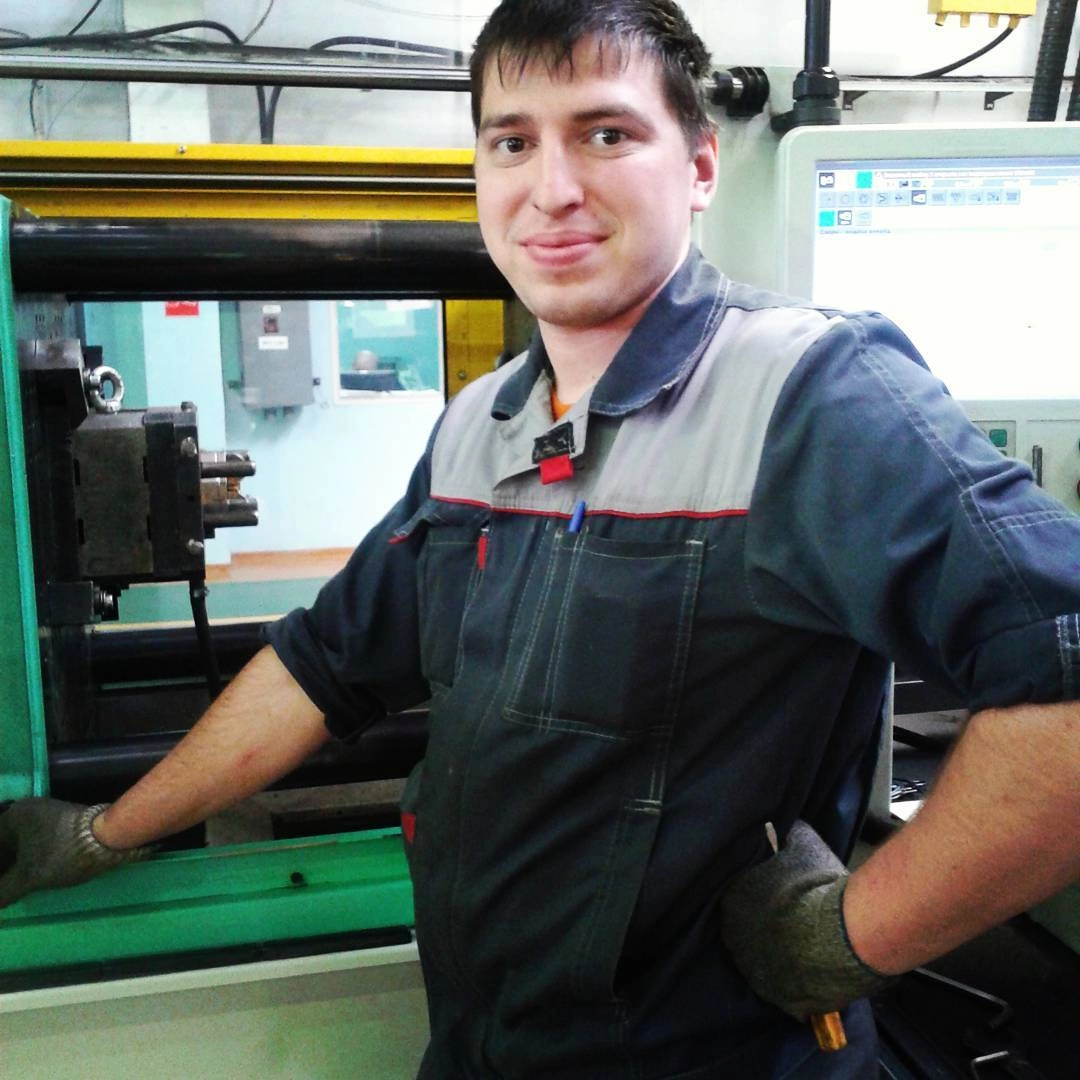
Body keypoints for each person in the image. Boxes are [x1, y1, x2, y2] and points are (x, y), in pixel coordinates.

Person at [2, 1, 1079, 1075]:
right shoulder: (483, 423)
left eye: (606, 133)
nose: (552, 188)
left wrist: (850, 937)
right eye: (512, 142)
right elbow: (322, 665)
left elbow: (1066, 680)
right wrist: (104, 832)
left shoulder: (809, 392)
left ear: (701, 166)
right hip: (486, 1045)